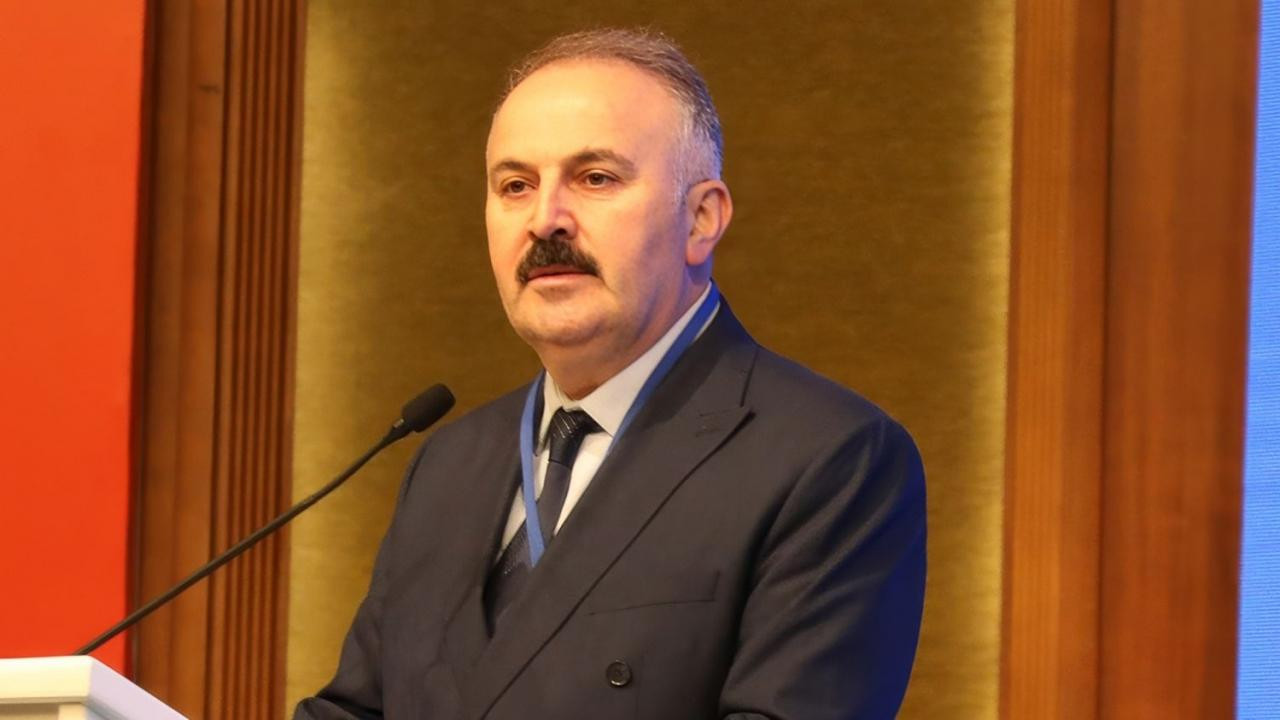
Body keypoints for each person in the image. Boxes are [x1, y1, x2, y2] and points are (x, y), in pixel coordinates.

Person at [295, 27, 926, 720]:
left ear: (702, 219)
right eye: (515, 186)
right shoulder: (448, 462)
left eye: (595, 178)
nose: (545, 220)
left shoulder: (831, 460)